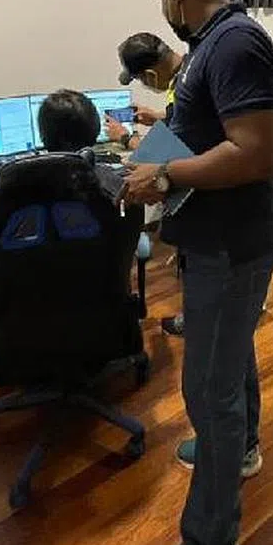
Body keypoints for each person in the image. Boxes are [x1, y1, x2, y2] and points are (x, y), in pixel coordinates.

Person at [124, 0, 273, 545]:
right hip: (212, 239)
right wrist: (150, 158)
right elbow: (203, 135)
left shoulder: (235, 43)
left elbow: (254, 153)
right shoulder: (206, 47)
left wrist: (163, 176)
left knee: (208, 395)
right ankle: (240, 450)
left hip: (232, 245)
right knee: (230, 356)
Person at [106, 32, 187, 337]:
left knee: (195, 266)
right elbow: (182, 119)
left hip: (199, 201)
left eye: (141, 80)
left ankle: (193, 320)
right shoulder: (188, 72)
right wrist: (159, 116)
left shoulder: (184, 88)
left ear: (151, 74)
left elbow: (173, 155)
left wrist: (125, 138)